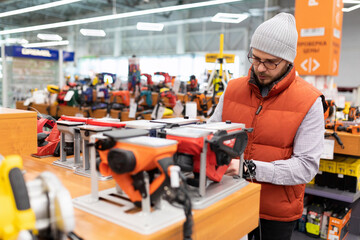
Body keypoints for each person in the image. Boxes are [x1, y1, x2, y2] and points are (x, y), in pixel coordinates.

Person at [209, 13, 326, 240]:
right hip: (229, 198)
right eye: (255, 58)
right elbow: (212, 133)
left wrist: (249, 168)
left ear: (289, 60)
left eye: (271, 62)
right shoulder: (232, 89)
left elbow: (306, 166)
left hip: (276, 212)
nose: (260, 68)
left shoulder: (310, 101)